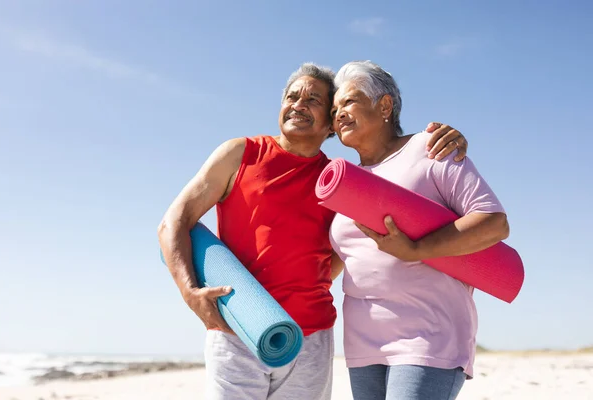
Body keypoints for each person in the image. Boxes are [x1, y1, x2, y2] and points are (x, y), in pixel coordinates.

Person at [157, 62, 468, 400]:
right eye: (292, 97)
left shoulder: (339, 180)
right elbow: (174, 222)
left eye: (313, 101)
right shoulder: (240, 154)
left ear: (331, 125)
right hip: (237, 328)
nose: (298, 105)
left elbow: (344, 251)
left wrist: (445, 138)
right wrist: (190, 292)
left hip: (311, 339)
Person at [328, 60, 510, 400]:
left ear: (385, 106)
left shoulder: (431, 148)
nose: (338, 113)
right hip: (363, 343)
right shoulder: (346, 182)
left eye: (349, 102)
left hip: (429, 336)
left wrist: (417, 250)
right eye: (335, 108)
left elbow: (493, 221)